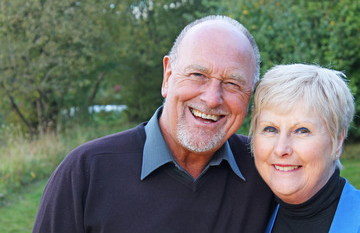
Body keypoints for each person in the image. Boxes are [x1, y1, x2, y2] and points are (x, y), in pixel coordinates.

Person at [33, 15, 275, 233]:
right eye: (197, 75)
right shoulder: (86, 171)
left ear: (250, 95)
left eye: (233, 83)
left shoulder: (268, 169)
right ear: (168, 76)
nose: (212, 98)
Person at [250, 64, 360, 233]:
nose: (281, 149)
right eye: (270, 129)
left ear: (337, 141)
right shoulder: (247, 214)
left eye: (302, 131)